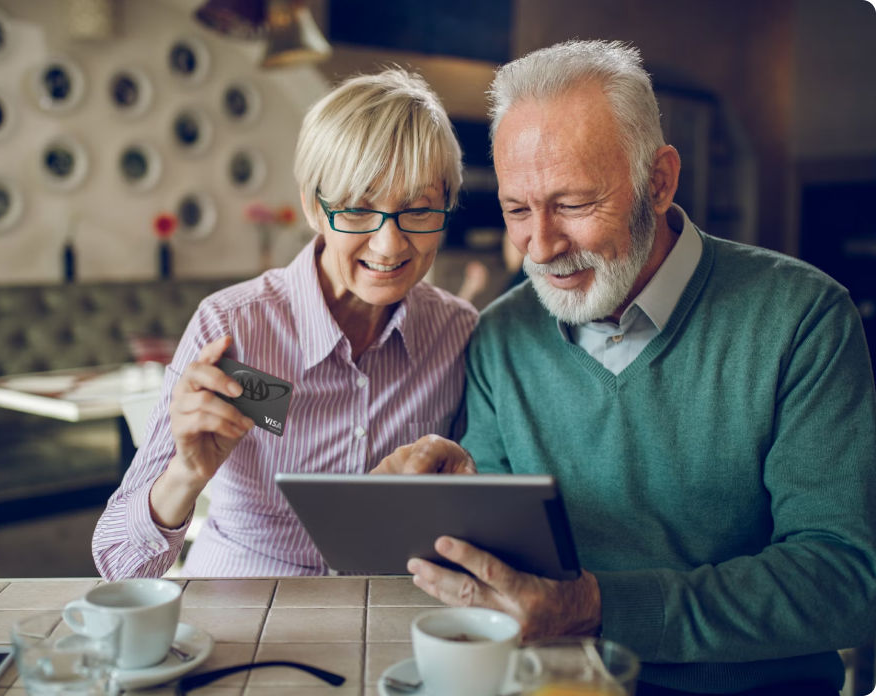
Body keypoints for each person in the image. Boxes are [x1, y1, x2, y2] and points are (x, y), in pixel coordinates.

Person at [373, 40, 876, 695]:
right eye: (517, 209)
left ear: (659, 181)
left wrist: (601, 607)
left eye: (574, 204)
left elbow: (845, 580)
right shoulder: (501, 334)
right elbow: (499, 580)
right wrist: (454, 508)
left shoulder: (804, 319)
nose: (542, 246)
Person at [93, 69, 477, 578]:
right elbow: (119, 564)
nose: (389, 245)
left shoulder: (458, 333)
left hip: (389, 608)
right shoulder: (233, 327)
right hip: (244, 607)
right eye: (359, 209)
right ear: (314, 207)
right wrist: (187, 475)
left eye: (419, 209)